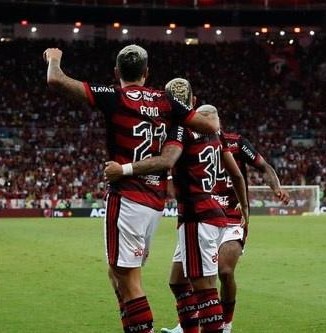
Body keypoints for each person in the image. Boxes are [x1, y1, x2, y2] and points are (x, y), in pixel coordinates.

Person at [43, 46, 220, 333]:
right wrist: (180, 116)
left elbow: (56, 80)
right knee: (118, 275)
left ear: (116, 73)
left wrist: (53, 58)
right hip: (153, 202)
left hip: (126, 198)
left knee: (129, 281)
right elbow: (208, 125)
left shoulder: (114, 96)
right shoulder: (165, 102)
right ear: (147, 73)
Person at [105, 78, 249, 333]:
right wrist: (245, 209)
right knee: (178, 281)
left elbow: (166, 159)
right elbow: (237, 174)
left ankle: (220, 328)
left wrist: (125, 169)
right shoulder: (214, 132)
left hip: (197, 215)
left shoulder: (180, 129)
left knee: (204, 288)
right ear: (193, 102)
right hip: (209, 212)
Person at [162, 128, 290, 333]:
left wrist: (276, 187)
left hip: (231, 217)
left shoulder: (235, 142)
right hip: (201, 216)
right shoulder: (189, 140)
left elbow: (264, 167)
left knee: (224, 270)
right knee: (178, 279)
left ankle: (225, 324)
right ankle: (190, 323)